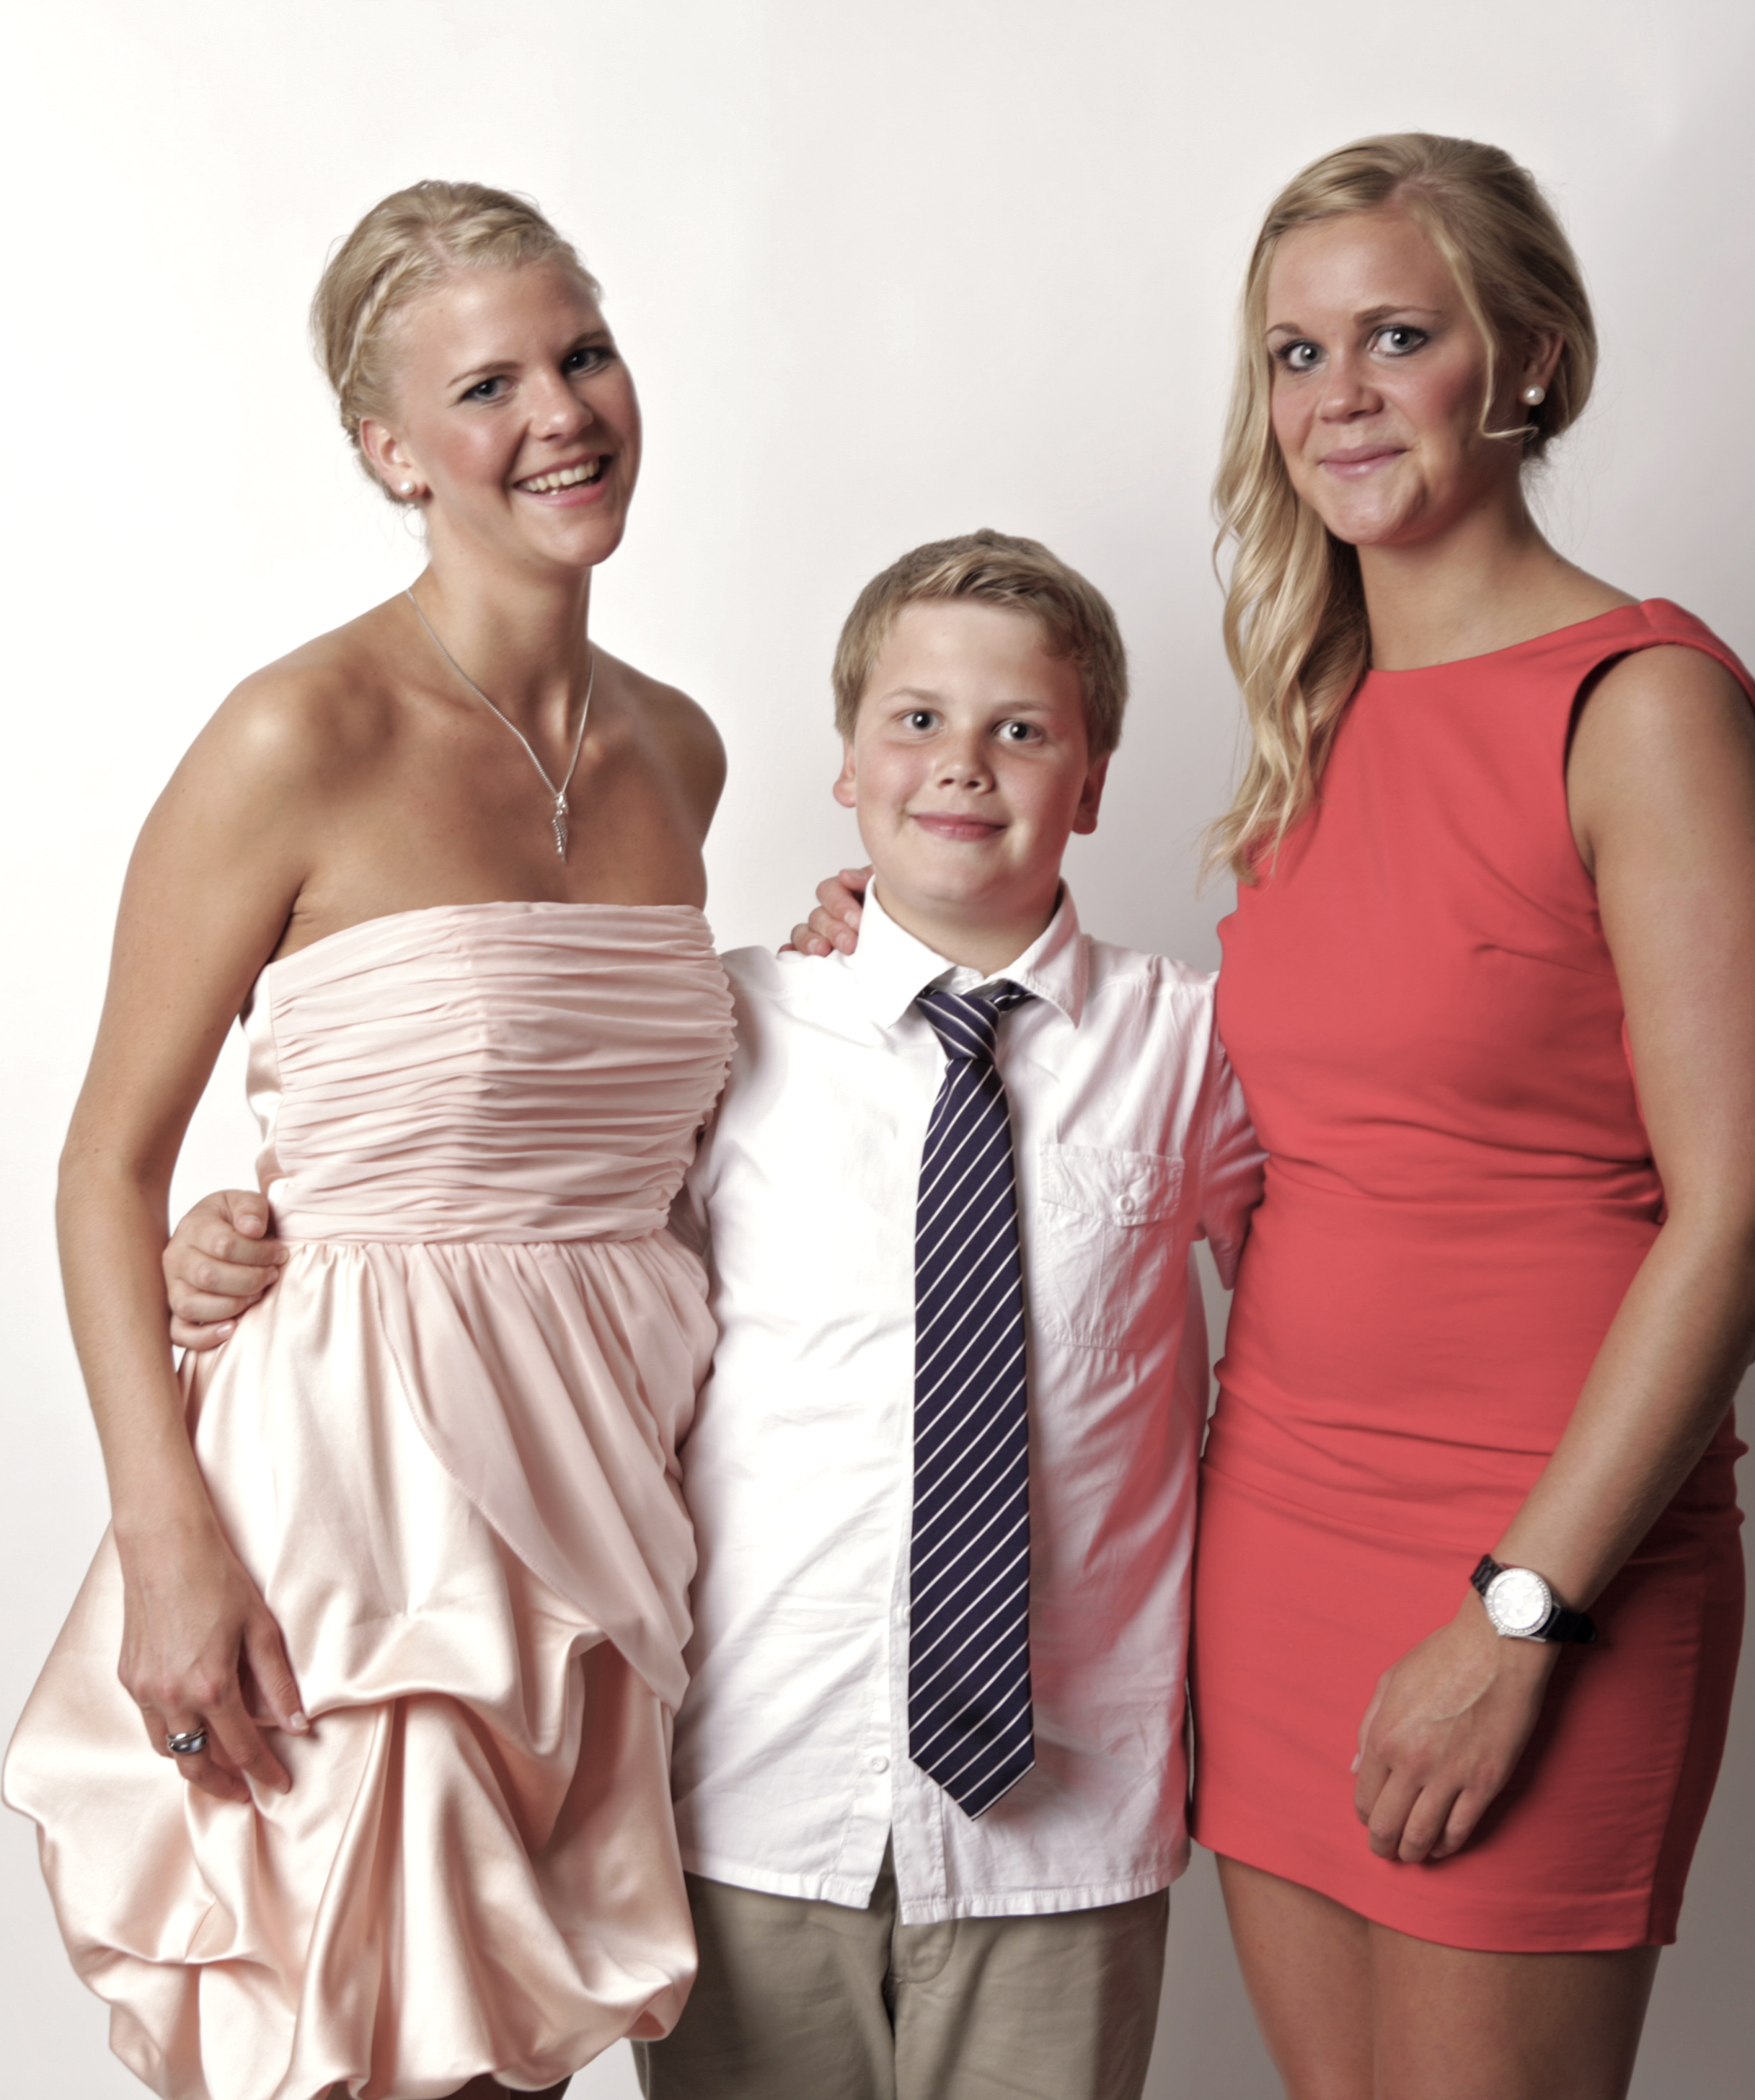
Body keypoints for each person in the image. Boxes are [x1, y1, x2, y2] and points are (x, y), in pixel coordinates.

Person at [796, 136, 1755, 2099]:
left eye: (1399, 337)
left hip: (1543, 1559)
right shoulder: (1317, 725)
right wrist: (882, 943)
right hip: (1270, 1550)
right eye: (1294, 352)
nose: (1339, 395)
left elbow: (1747, 1214)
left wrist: (1521, 1614)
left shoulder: (1642, 704)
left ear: (1529, 359)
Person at [171, 530, 1264, 2100]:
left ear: (1091, 782)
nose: (963, 764)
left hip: (1065, 1828)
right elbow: (516, 1229)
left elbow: (1358, 1282)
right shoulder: (723, 1027)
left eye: (1022, 729)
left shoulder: (1197, 1050)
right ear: (847, 765)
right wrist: (239, 1238)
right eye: (916, 720)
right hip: (751, 1807)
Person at [0, 180, 732, 2100]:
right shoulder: (295, 737)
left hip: (619, 1478)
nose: (561, 413)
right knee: (364, 2051)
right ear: (390, 450)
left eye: (583, 355)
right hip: (359, 1495)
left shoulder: (682, 752)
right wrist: (166, 1537)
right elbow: (105, 1164)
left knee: (518, 2060)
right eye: (487, 386)